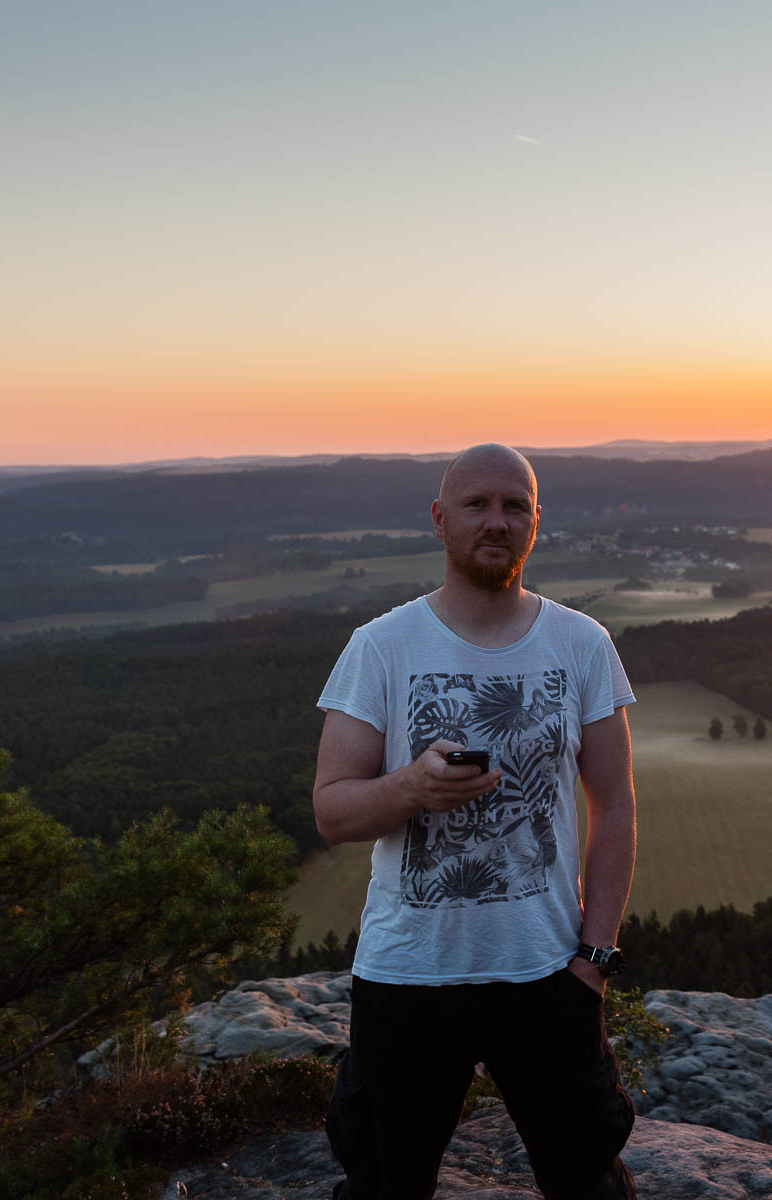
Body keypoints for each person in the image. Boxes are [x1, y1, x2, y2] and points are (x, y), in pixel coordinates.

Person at [313, 443, 638, 1200]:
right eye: (477, 504)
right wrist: (412, 788)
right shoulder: (381, 648)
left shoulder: (581, 644)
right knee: (385, 1185)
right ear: (439, 519)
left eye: (514, 506)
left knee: (587, 1181)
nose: (497, 520)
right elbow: (331, 809)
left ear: (534, 523)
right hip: (408, 977)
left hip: (548, 974)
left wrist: (594, 963)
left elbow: (615, 803)